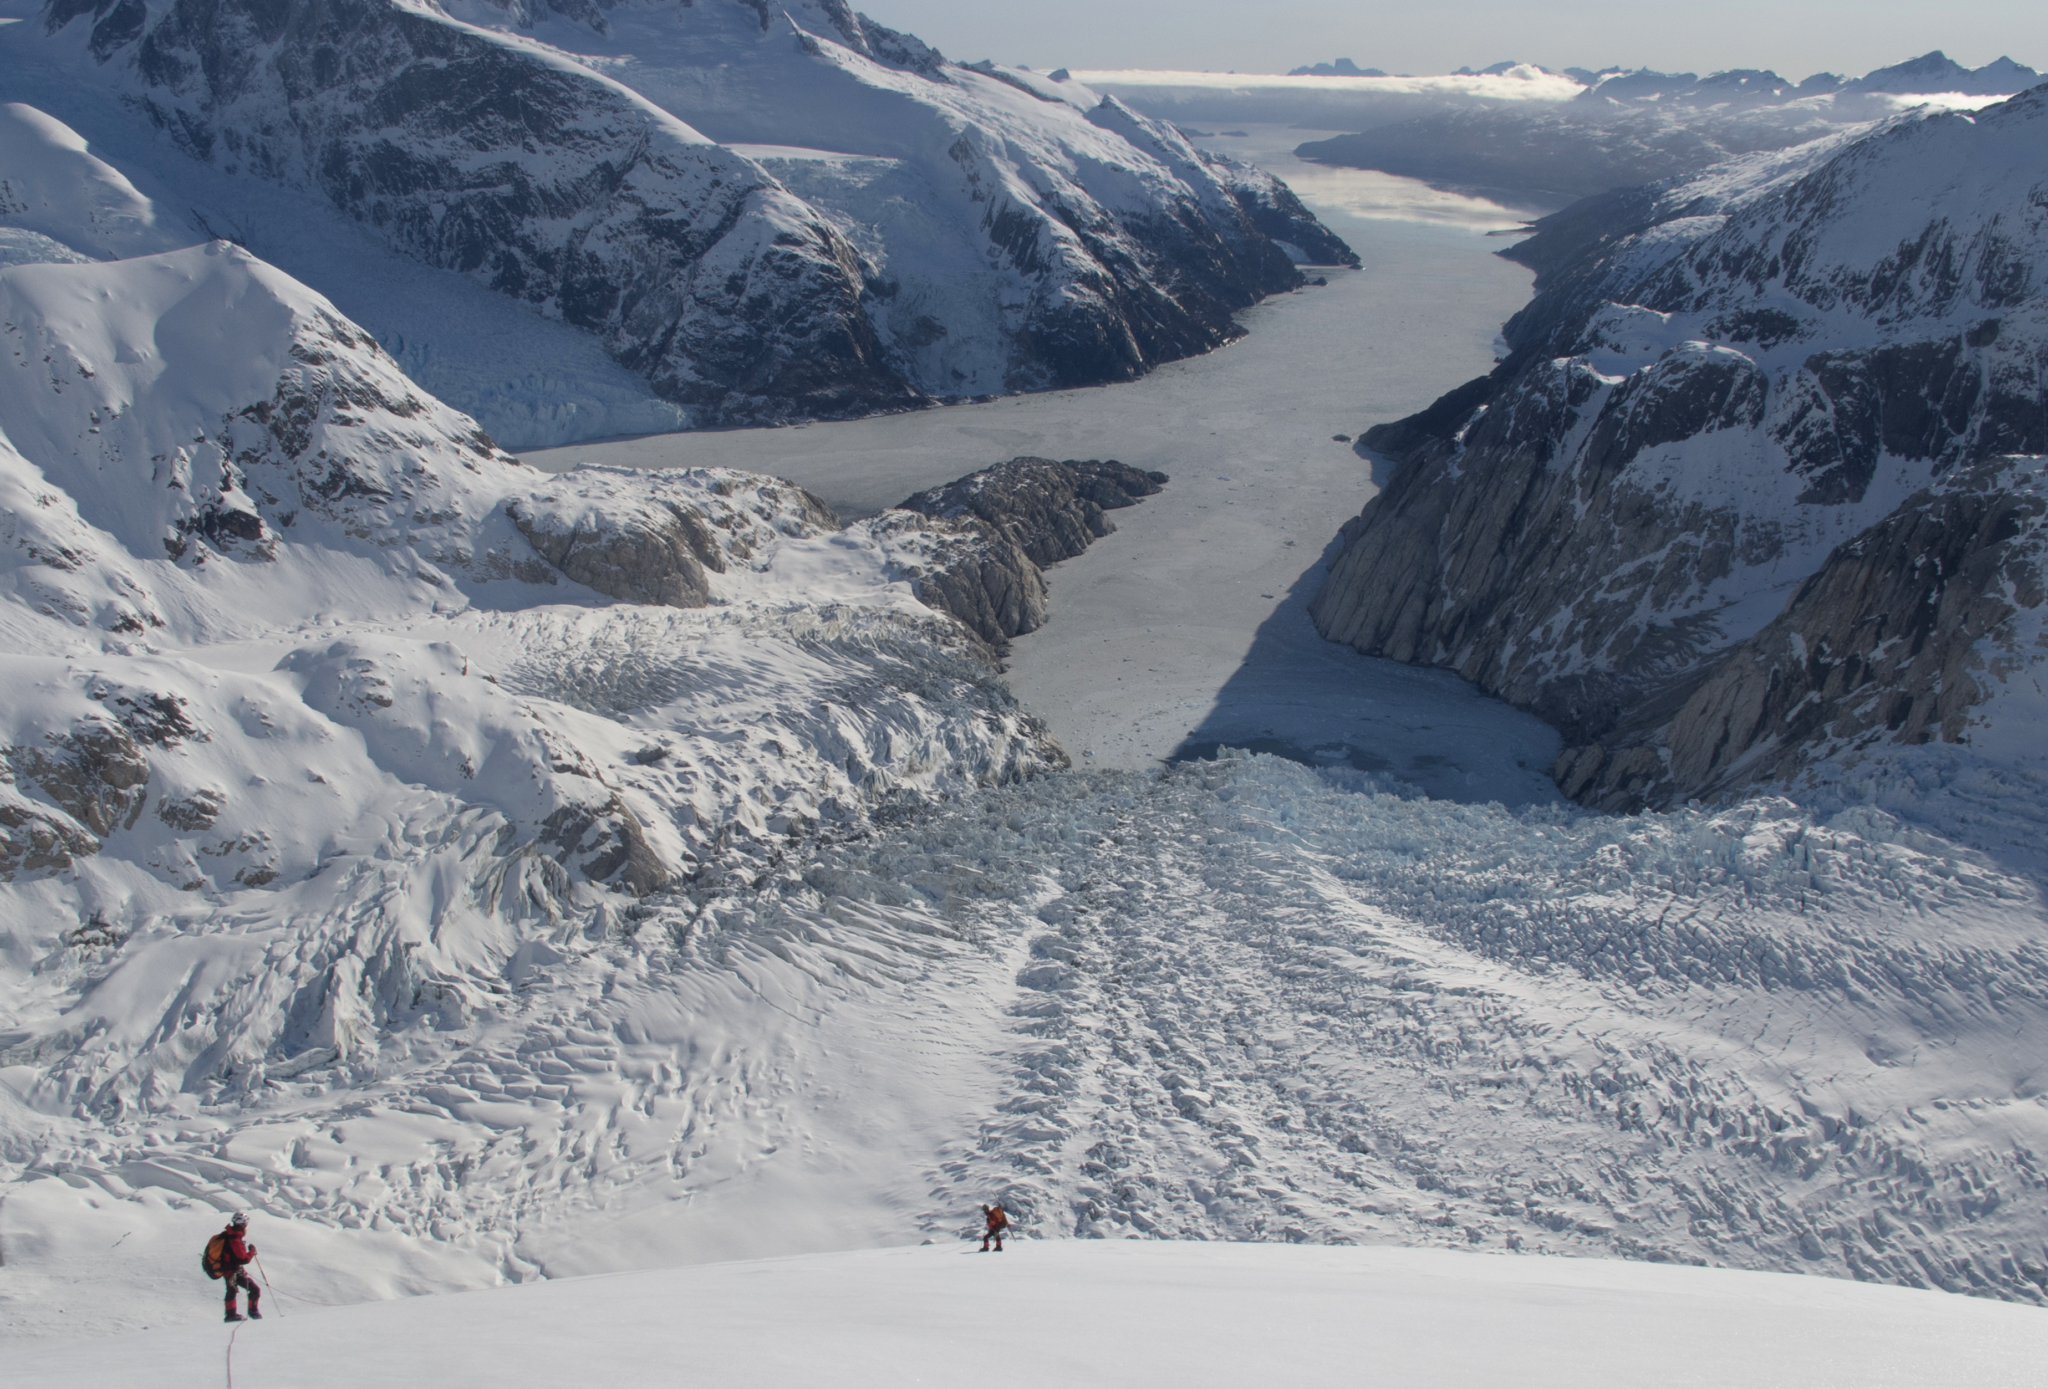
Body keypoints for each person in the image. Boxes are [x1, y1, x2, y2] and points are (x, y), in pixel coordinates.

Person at [218, 1213, 262, 1322]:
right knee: (253, 1289)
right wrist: (251, 1252)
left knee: (231, 1291)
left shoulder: (229, 1234)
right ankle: (251, 1312)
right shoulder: (235, 1238)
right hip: (232, 1271)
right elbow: (243, 1259)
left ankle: (231, 1315)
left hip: (228, 1270)